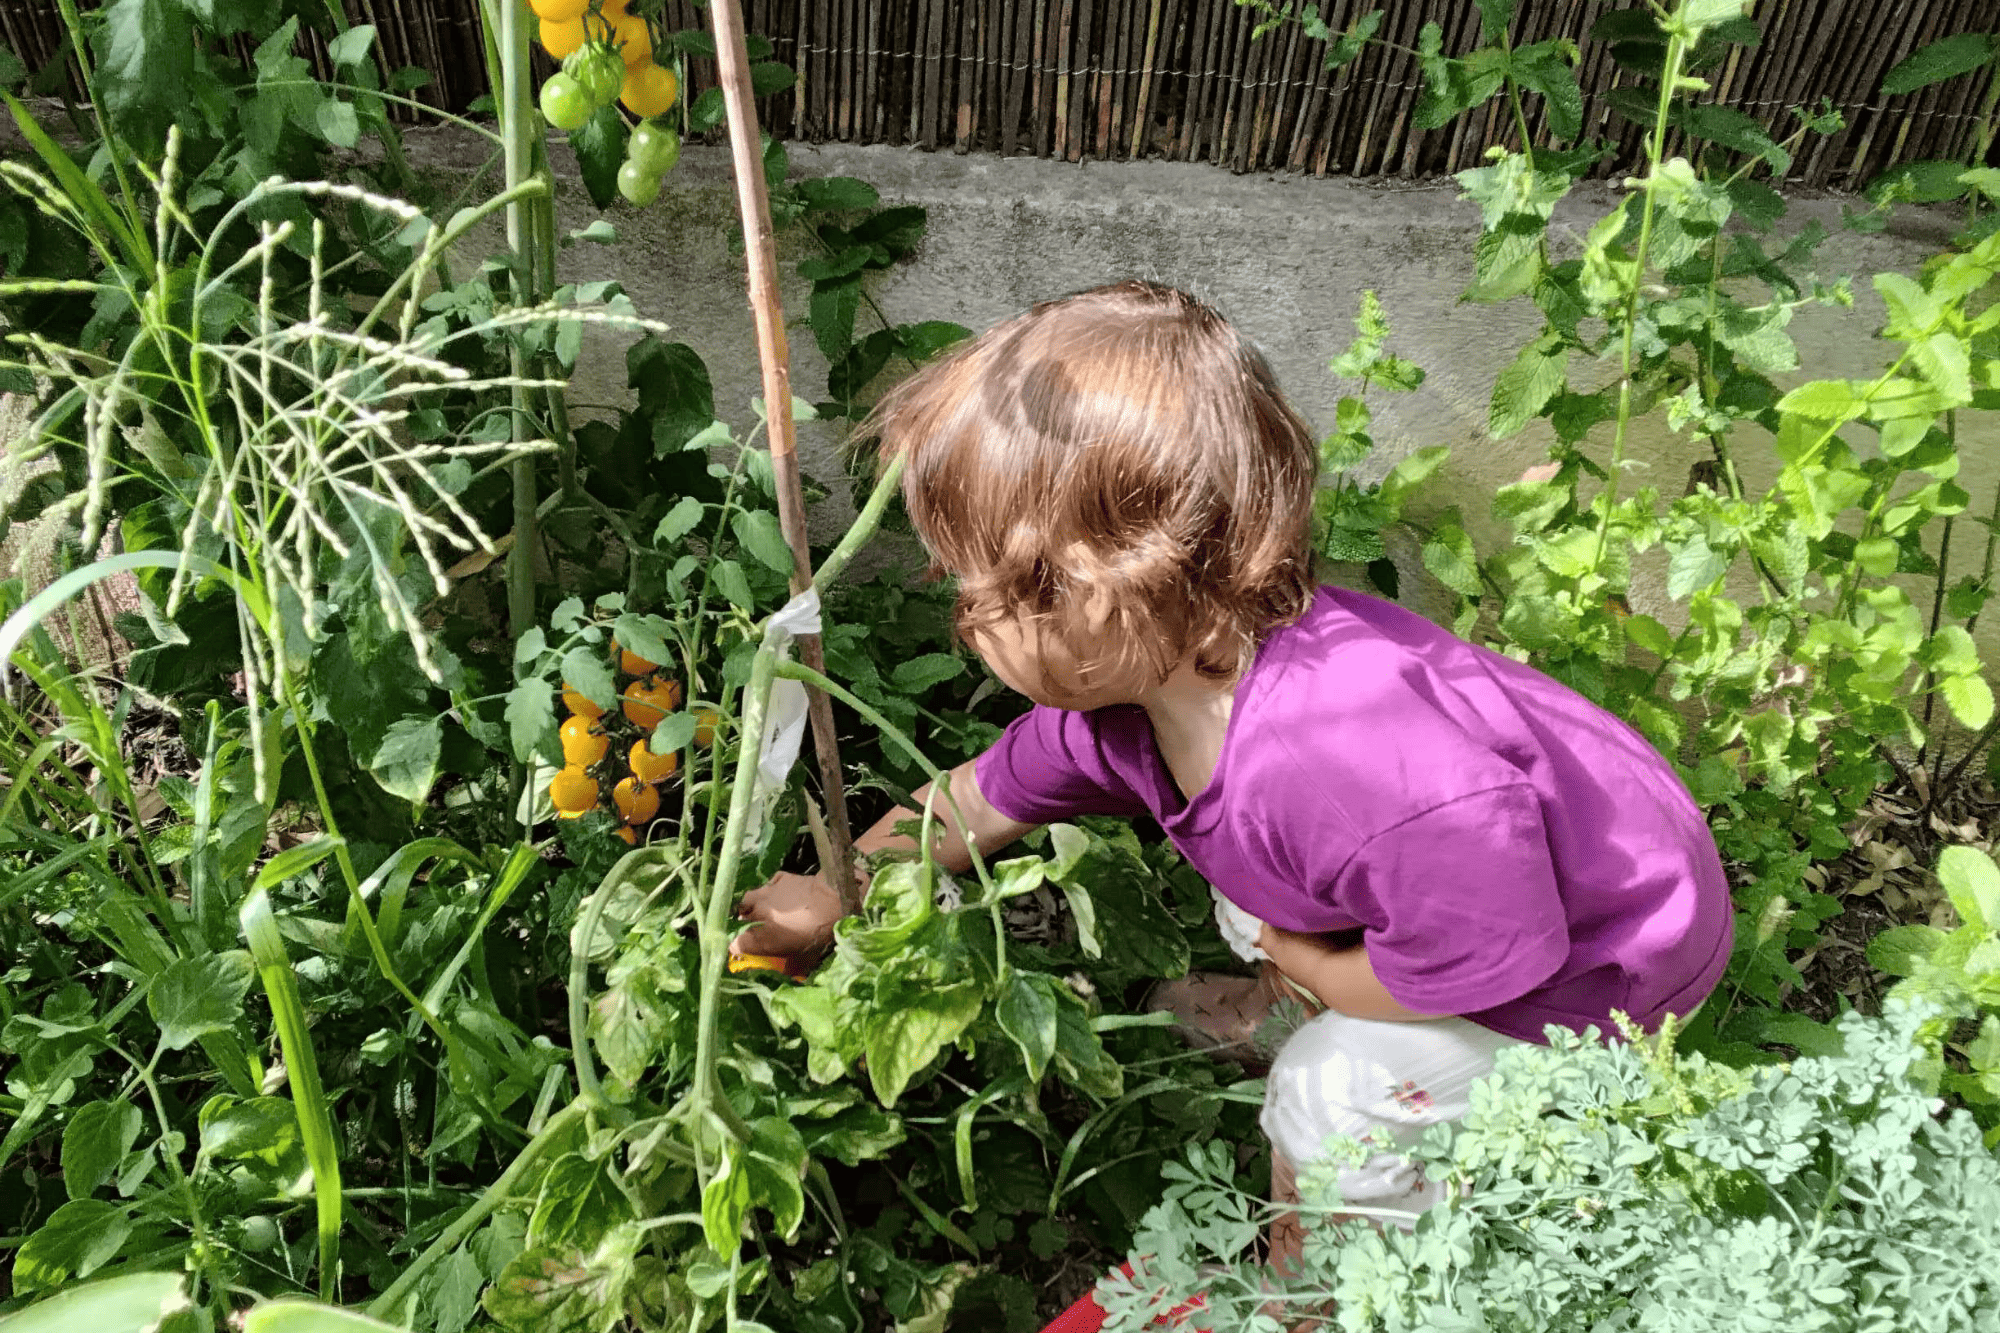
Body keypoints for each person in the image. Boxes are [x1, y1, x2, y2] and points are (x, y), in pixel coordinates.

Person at [732, 278, 1734, 1258]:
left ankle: (1333, 1270)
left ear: (1111, 586)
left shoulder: (1339, 766)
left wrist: (1317, 969)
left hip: (1594, 964)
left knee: (1327, 1093)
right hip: (1473, 892)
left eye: (989, 589)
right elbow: (976, 801)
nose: (967, 618)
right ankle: (1295, 1001)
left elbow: (1483, 959)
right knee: (1253, 893)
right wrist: (838, 891)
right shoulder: (1135, 691)